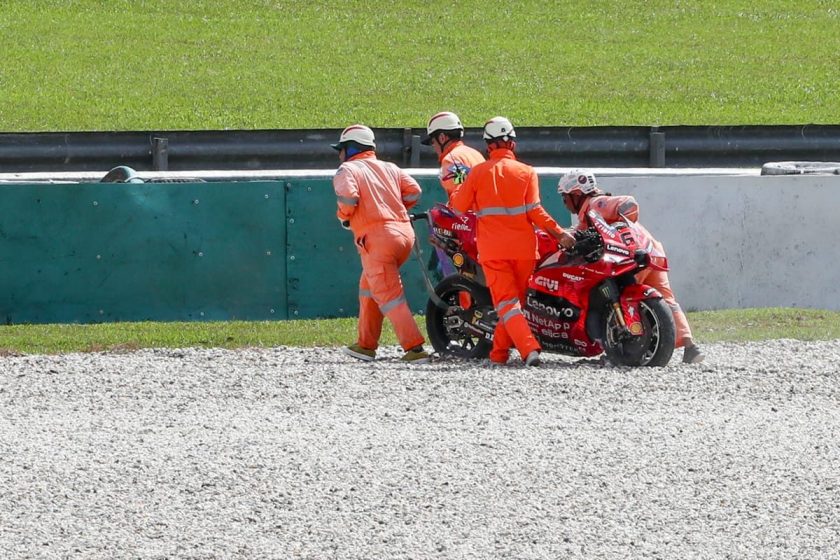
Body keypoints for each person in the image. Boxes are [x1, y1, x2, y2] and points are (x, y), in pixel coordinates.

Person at [450, 117, 576, 367]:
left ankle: (529, 349)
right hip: (525, 251)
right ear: (513, 145)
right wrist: (559, 233)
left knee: (507, 304)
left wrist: (461, 190)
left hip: (493, 251)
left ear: (488, 146)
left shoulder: (478, 173)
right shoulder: (527, 172)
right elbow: (536, 211)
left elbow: (458, 207)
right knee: (512, 305)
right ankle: (498, 355)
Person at [557, 170, 705, 364]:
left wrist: (621, 233)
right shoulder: (586, 217)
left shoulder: (595, 204)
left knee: (606, 297)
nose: (564, 203)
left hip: (630, 259)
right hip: (651, 253)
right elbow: (576, 235)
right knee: (668, 302)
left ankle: (613, 346)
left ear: (576, 194)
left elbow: (628, 203)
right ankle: (690, 347)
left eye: (564, 197)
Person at [332, 124, 431, 364]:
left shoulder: (348, 169)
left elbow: (348, 197)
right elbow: (414, 192)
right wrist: (396, 211)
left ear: (351, 148)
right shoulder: (391, 167)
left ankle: (415, 348)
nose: (339, 154)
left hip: (377, 240)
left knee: (389, 295)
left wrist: (345, 216)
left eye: (341, 149)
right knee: (369, 288)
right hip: (404, 234)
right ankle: (365, 345)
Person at [421, 111, 486, 281]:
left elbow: (461, 198)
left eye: (433, 142)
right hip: (483, 225)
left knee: (460, 277)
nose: (434, 148)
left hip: (469, 231)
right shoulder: (474, 154)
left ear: (442, 137)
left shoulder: (451, 160)